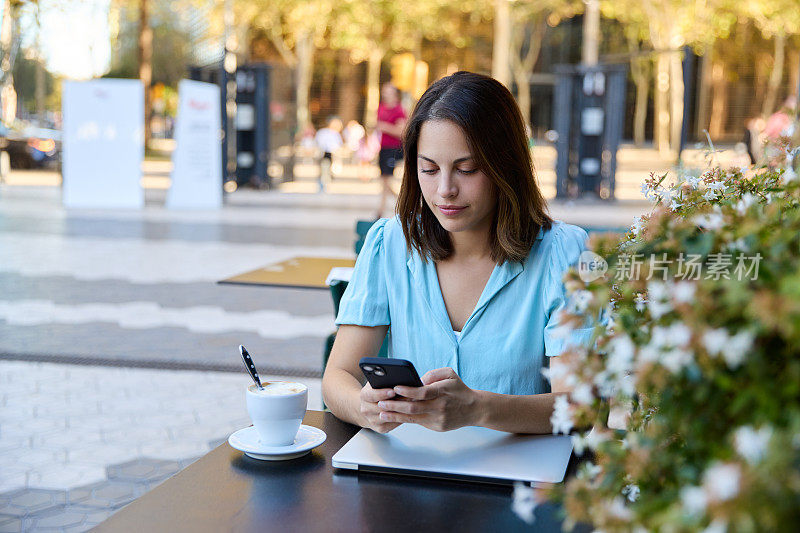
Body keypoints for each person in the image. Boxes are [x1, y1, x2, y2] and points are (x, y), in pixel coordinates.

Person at [322, 71, 596, 435]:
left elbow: (583, 407)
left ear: (505, 165)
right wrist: (363, 408)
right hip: (409, 472)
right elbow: (337, 377)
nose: (445, 190)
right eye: (429, 170)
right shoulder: (389, 243)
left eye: (467, 169)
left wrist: (479, 409)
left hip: (518, 479)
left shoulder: (562, 255)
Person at [375, 83, 407, 218]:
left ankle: (381, 211)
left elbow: (402, 131)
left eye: (387, 91)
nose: (384, 93)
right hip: (383, 148)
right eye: (384, 91)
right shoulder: (381, 107)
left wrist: (385, 127)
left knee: (387, 181)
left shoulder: (399, 110)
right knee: (384, 181)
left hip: (394, 149)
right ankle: (403, 205)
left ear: (394, 93)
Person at [314, 117, 343, 192]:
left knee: (327, 169)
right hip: (324, 152)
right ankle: (323, 184)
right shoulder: (323, 132)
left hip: (330, 153)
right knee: (324, 168)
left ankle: (325, 183)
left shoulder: (334, 133)